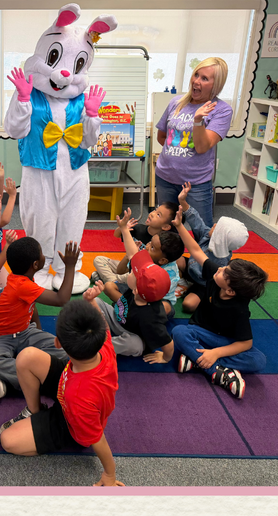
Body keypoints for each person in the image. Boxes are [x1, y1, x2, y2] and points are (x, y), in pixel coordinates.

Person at [0, 298, 123, 486]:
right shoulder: (103, 342)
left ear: (58, 343)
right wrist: (91, 301)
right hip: (70, 382)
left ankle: (46, 431)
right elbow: (101, 322)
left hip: (71, 421)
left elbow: (97, 439)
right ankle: (35, 410)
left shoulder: (79, 399)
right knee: (26, 357)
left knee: (7, 440)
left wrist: (110, 474)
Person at [170, 209, 268, 399]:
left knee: (259, 360)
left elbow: (246, 343)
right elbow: (196, 250)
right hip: (200, 331)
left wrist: (215, 353)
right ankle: (217, 372)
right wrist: (179, 226)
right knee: (179, 332)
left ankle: (195, 359)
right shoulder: (216, 276)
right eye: (225, 267)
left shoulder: (238, 309)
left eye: (225, 272)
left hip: (223, 341)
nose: (221, 268)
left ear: (231, 291)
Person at [0, 236, 80, 400]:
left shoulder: (25, 278)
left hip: (25, 332)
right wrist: (70, 266)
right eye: (41, 254)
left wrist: (38, 336)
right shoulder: (22, 285)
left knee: (65, 350)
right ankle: (30, 377)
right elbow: (62, 299)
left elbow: (31, 307)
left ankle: (9, 378)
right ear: (35, 265)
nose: (44, 256)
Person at [154, 58, 232, 225]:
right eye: (196, 75)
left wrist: (198, 120)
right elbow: (162, 137)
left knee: (203, 232)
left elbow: (202, 147)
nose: (196, 81)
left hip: (195, 184)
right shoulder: (176, 102)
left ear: (215, 85)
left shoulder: (222, 110)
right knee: (166, 231)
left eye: (204, 78)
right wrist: (178, 153)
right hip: (165, 178)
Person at [84, 218, 173, 361]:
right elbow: (133, 254)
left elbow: (168, 343)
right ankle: (99, 333)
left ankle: (99, 347)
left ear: (137, 290)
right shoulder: (142, 289)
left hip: (133, 334)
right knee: (93, 300)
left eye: (133, 273)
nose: (131, 271)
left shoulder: (152, 318)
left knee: (135, 345)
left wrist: (166, 358)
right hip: (117, 317)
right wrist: (124, 229)